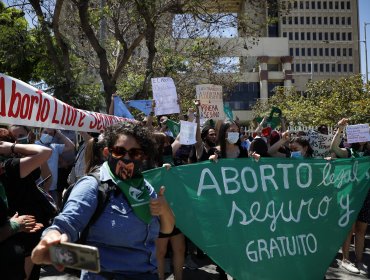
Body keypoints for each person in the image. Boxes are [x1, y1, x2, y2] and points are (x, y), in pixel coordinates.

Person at [31, 122, 175, 280]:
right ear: (108, 152)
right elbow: (68, 222)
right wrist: (52, 239)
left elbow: (166, 231)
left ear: (143, 156)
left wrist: (165, 209)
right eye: (120, 151)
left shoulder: (144, 187)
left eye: (135, 153)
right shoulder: (93, 185)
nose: (127, 158)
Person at [0, 132, 52, 279]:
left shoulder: (11, 165)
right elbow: (45, 152)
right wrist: (13, 147)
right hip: (24, 226)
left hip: (20, 224)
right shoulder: (10, 166)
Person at [330, 118, 370, 275]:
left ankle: (359, 260)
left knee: (361, 229)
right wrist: (340, 129)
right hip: (351, 196)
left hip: (367, 196)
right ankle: (346, 259)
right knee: (349, 228)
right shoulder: (349, 153)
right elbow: (334, 147)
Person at [35, 128, 75, 208]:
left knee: (53, 211)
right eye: (45, 132)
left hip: (53, 188)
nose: (48, 135)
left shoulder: (55, 147)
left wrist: (59, 134)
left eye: (51, 134)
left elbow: (71, 146)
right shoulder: (34, 145)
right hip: (39, 187)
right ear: (40, 133)